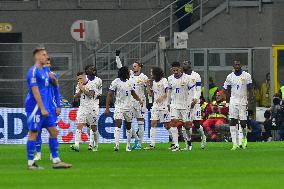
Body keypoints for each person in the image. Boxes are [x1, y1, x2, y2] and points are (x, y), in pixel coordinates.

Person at [25, 47, 71, 170]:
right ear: (38, 57)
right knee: (33, 133)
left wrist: (54, 80)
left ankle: (56, 161)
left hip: (46, 108)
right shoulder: (33, 72)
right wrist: (42, 108)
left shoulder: (46, 71)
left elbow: (55, 86)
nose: (46, 57)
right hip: (35, 108)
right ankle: (31, 163)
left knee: (54, 131)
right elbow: (35, 92)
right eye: (44, 55)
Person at [105, 66, 143, 152]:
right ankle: (116, 145)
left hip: (129, 107)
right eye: (128, 72)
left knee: (128, 126)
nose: (130, 73)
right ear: (125, 73)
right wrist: (107, 108)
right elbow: (109, 94)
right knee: (118, 123)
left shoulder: (129, 82)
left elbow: (133, 93)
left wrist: (139, 100)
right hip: (119, 107)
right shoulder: (116, 82)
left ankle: (128, 145)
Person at [115, 50, 145, 150]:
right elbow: (120, 67)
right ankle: (136, 140)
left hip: (140, 102)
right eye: (133, 66)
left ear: (139, 67)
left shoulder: (143, 77)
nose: (133, 68)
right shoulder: (130, 74)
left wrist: (148, 97)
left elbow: (148, 88)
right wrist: (117, 56)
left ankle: (139, 143)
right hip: (129, 102)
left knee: (140, 122)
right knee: (129, 123)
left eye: (135, 66)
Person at [34, 57, 61, 161]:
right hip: (39, 108)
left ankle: (52, 154)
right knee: (38, 131)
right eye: (46, 63)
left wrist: (58, 106)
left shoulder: (53, 76)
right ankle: (38, 154)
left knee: (53, 131)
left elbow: (57, 92)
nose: (48, 65)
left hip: (51, 108)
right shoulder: (36, 75)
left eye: (49, 63)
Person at [223, 59, 252, 150]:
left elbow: (250, 89)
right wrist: (227, 103)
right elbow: (227, 91)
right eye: (236, 64)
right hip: (233, 101)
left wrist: (249, 101)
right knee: (233, 121)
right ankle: (234, 143)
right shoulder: (229, 77)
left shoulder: (247, 75)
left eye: (239, 64)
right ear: (233, 66)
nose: (237, 66)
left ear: (241, 65)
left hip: (243, 101)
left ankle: (244, 138)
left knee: (243, 123)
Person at [70, 71, 101, 152]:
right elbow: (76, 97)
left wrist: (83, 89)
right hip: (82, 107)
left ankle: (96, 144)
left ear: (84, 77)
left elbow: (90, 94)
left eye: (80, 78)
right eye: (78, 79)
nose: (79, 80)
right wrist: (80, 90)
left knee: (93, 128)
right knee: (79, 124)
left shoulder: (91, 84)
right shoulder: (78, 85)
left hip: (92, 108)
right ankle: (76, 145)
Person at [168, 61, 195, 151]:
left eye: (177, 70)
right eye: (173, 70)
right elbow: (169, 92)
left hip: (185, 105)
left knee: (187, 126)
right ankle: (176, 144)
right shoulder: (170, 79)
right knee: (173, 123)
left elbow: (192, 90)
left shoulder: (188, 78)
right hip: (174, 105)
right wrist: (168, 103)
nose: (175, 71)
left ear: (180, 69)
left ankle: (189, 141)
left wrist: (193, 100)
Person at [144, 67, 172, 150]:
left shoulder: (164, 80)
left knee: (167, 125)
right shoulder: (154, 82)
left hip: (164, 105)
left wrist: (162, 97)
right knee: (153, 123)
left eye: (152, 72)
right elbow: (151, 94)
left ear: (156, 73)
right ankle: (152, 144)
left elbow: (168, 92)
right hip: (155, 106)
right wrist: (148, 85)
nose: (151, 74)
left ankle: (174, 141)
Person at [182, 60, 207, 149]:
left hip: (195, 103)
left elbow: (198, 89)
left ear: (190, 65)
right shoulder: (181, 76)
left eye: (186, 63)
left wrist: (195, 100)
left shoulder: (196, 75)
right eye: (183, 64)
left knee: (196, 124)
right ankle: (188, 143)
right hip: (184, 104)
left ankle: (203, 137)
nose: (184, 65)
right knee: (186, 124)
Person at [84, 65, 102, 151]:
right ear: (86, 70)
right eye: (91, 69)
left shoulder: (98, 80)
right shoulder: (83, 80)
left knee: (93, 125)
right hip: (85, 105)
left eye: (94, 69)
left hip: (94, 104)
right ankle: (93, 141)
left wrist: (95, 97)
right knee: (88, 126)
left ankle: (92, 144)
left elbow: (100, 93)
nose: (93, 70)